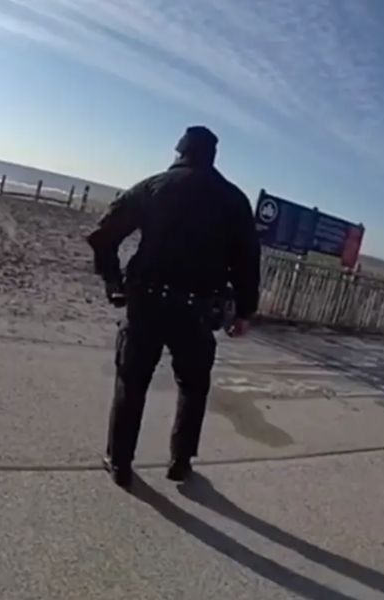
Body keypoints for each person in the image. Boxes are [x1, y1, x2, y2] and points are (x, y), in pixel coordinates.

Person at [86, 125, 260, 487]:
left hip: (147, 303)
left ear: (179, 151)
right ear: (212, 157)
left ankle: (120, 463)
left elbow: (103, 236)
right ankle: (180, 462)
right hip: (198, 311)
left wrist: (113, 281)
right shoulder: (234, 200)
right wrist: (244, 312)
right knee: (194, 386)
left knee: (131, 383)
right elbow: (248, 261)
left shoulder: (153, 187)